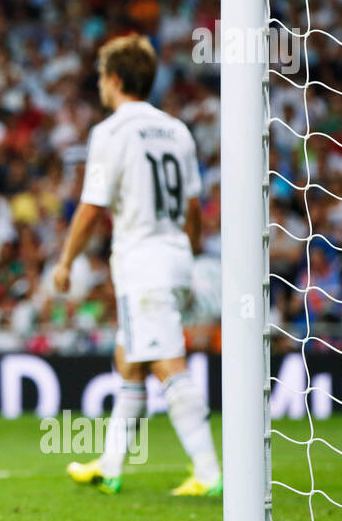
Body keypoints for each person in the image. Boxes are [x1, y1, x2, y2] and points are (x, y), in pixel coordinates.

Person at [54, 34, 221, 496]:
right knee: (130, 360)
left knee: (166, 363)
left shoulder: (111, 132)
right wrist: (186, 254)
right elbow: (192, 207)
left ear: (115, 79)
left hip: (143, 262)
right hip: (174, 255)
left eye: (101, 77)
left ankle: (208, 470)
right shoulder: (177, 130)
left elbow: (91, 207)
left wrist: (66, 261)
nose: (99, 86)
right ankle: (110, 464)